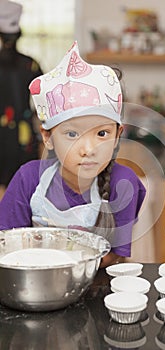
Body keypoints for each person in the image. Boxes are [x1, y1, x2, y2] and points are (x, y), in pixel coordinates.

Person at [0, 41, 146, 267]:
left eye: (102, 133)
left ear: (117, 135)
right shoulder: (28, 179)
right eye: (71, 134)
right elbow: (7, 247)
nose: (88, 149)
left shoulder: (124, 183)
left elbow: (116, 255)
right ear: (47, 137)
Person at [0, 0, 43, 193]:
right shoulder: (31, 65)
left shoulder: (30, 65)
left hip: (8, 138)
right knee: (23, 193)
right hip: (24, 140)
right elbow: (44, 105)